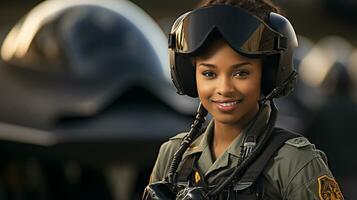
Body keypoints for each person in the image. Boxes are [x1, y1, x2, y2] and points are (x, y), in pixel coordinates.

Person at [143, 0, 344, 199]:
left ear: (268, 76)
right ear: (190, 75)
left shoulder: (294, 162)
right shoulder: (172, 156)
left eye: (241, 73)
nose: (224, 89)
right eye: (209, 74)